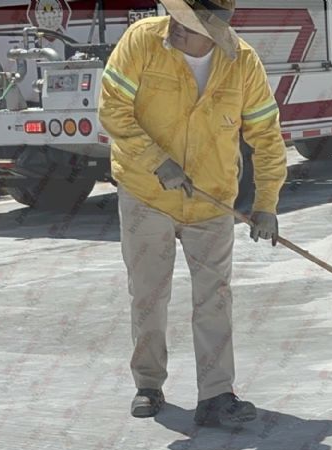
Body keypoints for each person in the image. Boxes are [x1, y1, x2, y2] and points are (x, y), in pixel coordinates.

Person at [98, 0, 287, 425]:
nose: (176, 26)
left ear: (215, 34)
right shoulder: (142, 41)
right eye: (177, 16)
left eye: (188, 23)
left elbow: (266, 136)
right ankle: (148, 384)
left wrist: (266, 205)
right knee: (148, 294)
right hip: (146, 193)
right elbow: (112, 109)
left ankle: (216, 396)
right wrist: (157, 161)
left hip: (210, 199)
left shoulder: (243, 64)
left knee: (214, 298)